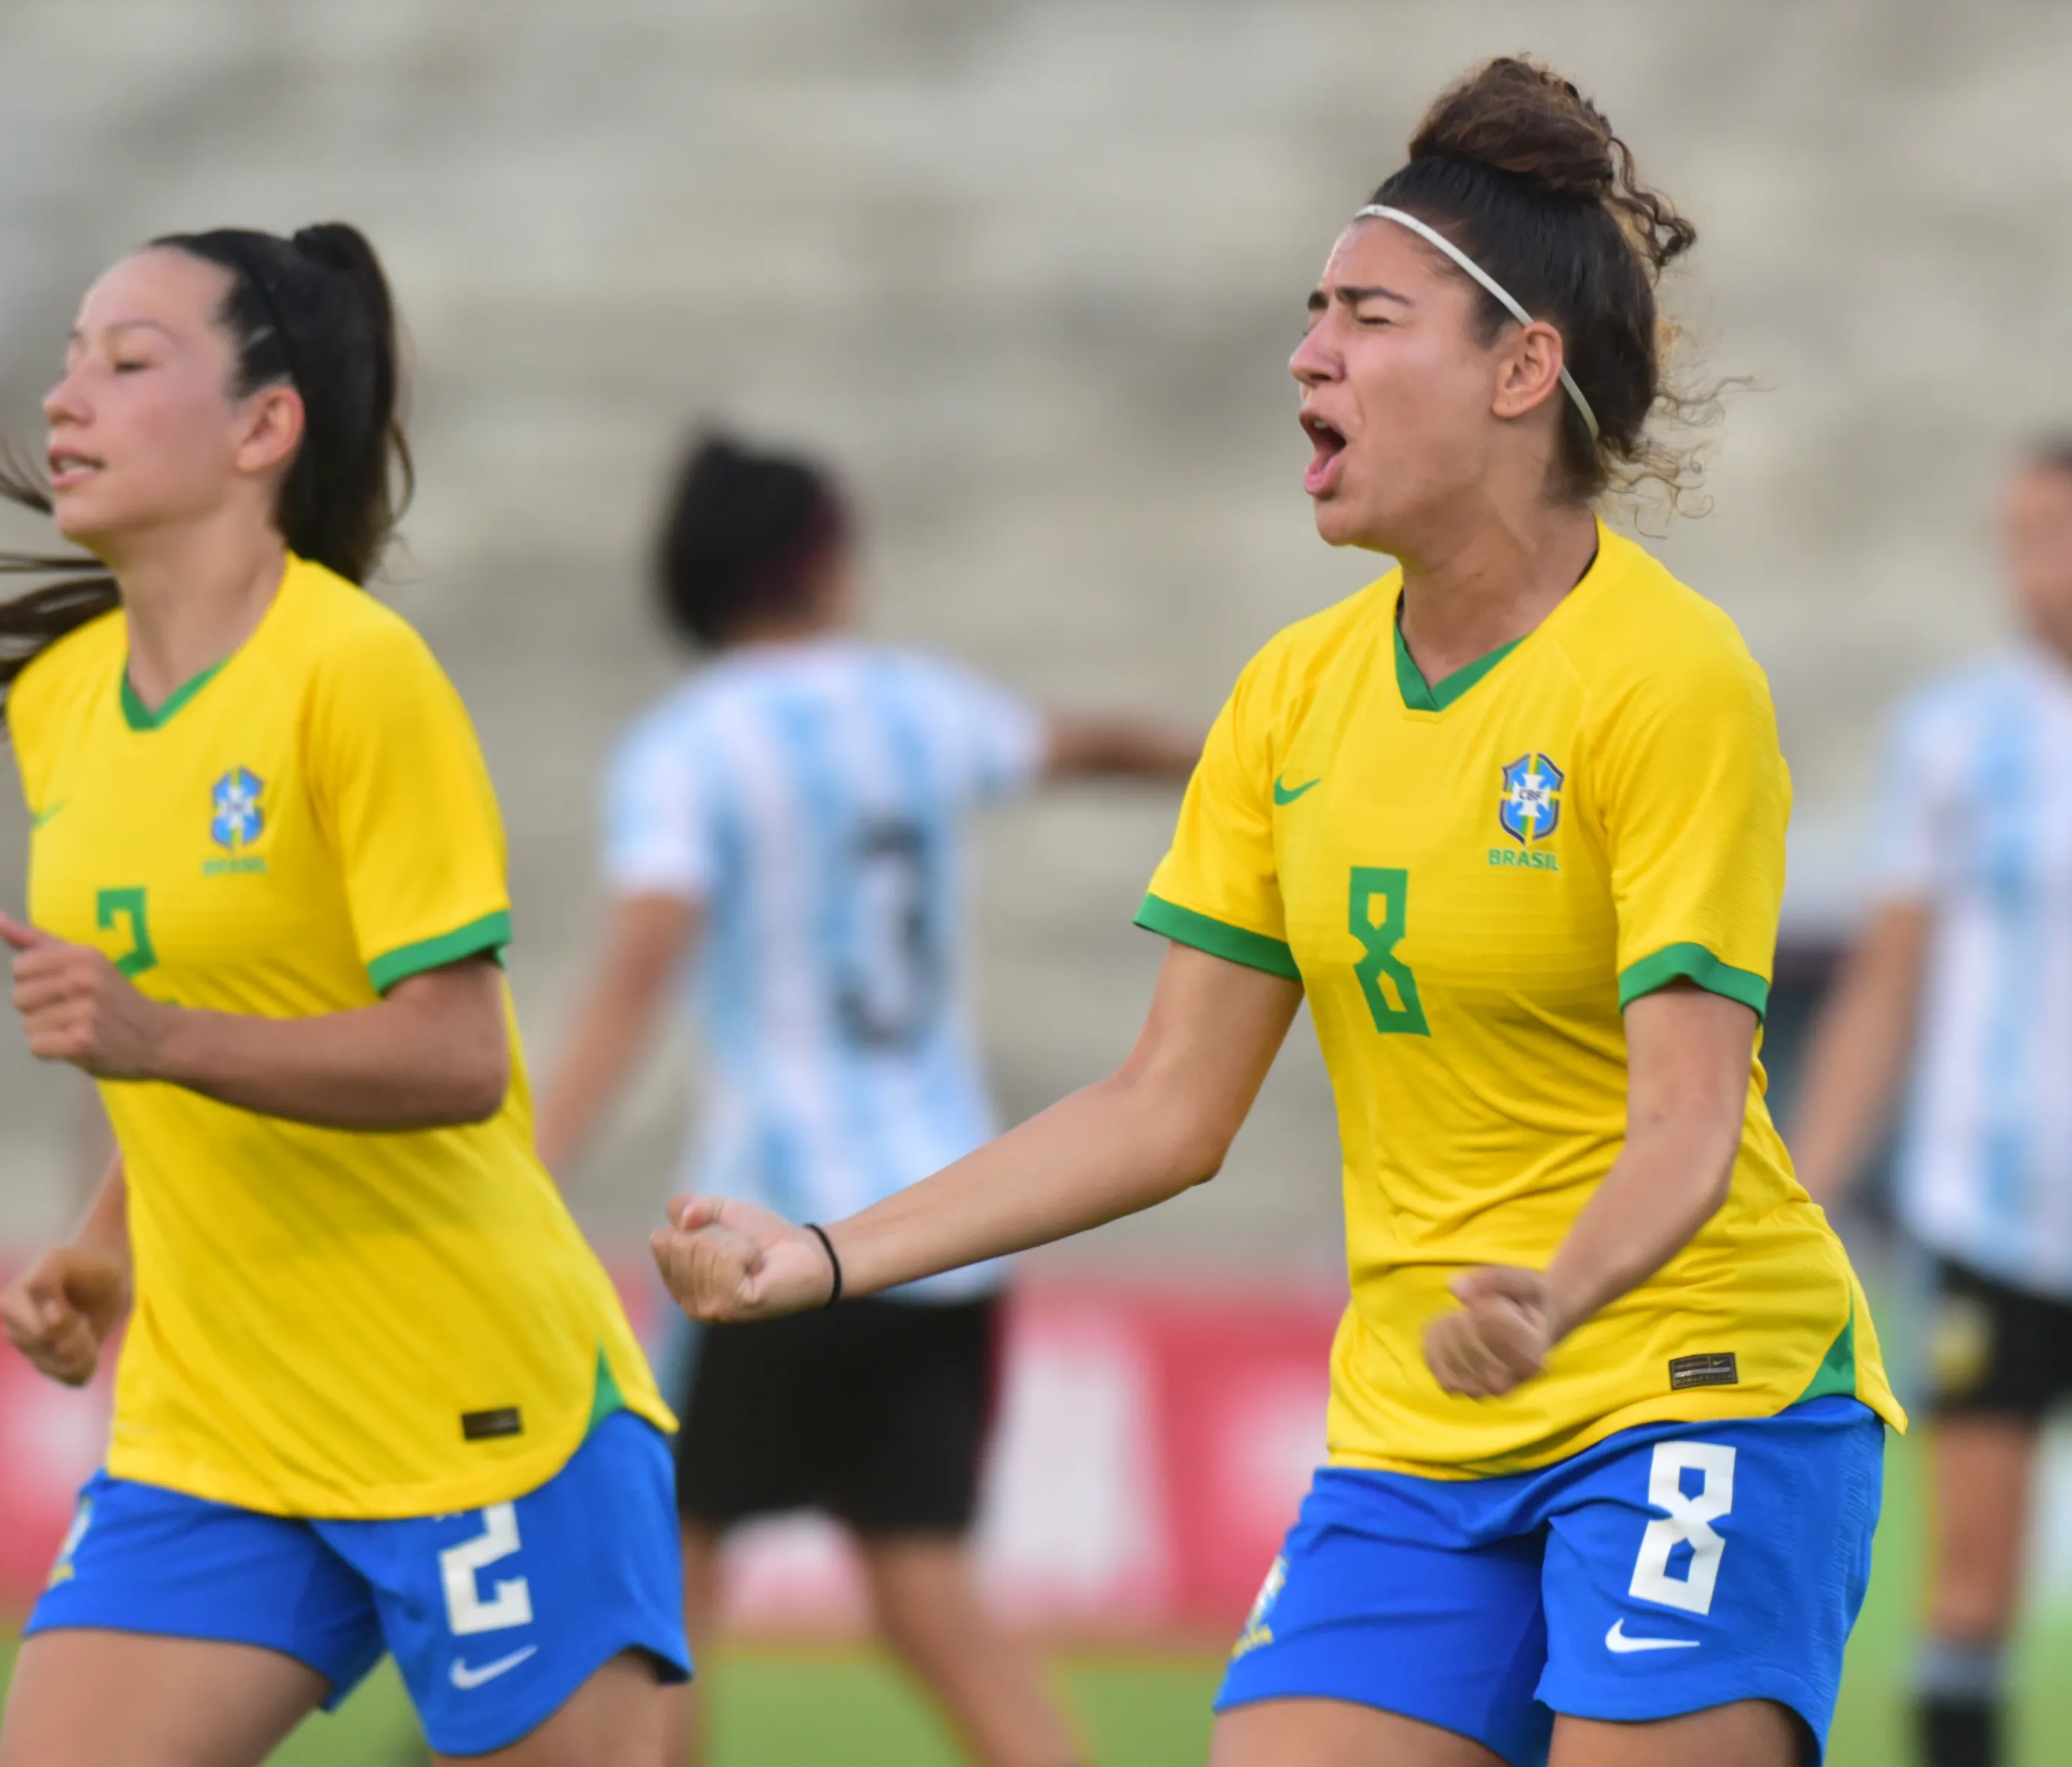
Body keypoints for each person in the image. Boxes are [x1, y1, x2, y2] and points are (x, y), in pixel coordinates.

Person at [648, 57, 1908, 1767]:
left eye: (1367, 317)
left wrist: (1561, 1287)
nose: (1307, 355)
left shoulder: (1667, 681)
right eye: (1309, 313)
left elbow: (1689, 1125)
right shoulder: (1290, 701)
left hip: (1698, 1385)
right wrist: (824, 1253)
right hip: (1417, 1428)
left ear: (1523, 367)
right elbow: (1165, 1108)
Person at [0, 223, 686, 1767]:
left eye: (127, 361)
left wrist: (154, 1038)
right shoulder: (60, 704)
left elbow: (453, 1051)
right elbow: (230, 1000)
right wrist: (107, 1243)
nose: (66, 397)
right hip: (217, 1426)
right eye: (66, 359)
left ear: (264, 426)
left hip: (474, 1406)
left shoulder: (356, 674)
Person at [535, 430, 1198, 1767]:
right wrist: (1246, 762)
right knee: (925, 1592)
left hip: (779, 1218)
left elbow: (638, 972)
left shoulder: (690, 743)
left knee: (667, 1575)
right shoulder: (918, 706)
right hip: (947, 1221)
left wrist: (520, 1169)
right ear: (820, 558)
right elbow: (1091, 745)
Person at [1789, 440, 2072, 1767]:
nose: (2036, 570)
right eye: (2018, 539)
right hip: (1992, 1219)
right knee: (1966, 1586)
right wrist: (1802, 1185)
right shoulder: (1960, 737)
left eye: (2057, 536)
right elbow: (1889, 984)